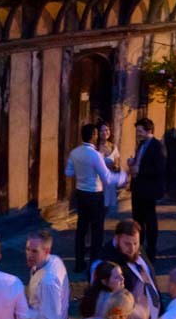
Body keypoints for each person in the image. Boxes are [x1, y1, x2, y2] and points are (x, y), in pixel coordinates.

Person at [92, 219, 161, 319]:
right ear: (117, 238)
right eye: (127, 244)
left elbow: (149, 274)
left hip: (148, 318)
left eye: (136, 243)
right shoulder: (107, 262)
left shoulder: (136, 249)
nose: (132, 249)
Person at [65, 122, 118, 272]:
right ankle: (94, 264)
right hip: (95, 194)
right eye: (96, 134)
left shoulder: (74, 152)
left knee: (81, 229)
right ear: (93, 136)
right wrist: (121, 177)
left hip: (81, 193)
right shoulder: (95, 155)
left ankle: (79, 263)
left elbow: (68, 172)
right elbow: (107, 177)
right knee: (97, 231)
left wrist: (82, 173)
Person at [128, 117, 167, 261]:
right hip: (138, 186)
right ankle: (139, 246)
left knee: (150, 220)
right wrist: (133, 162)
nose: (138, 134)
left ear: (148, 130)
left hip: (149, 188)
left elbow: (160, 168)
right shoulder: (142, 144)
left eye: (140, 131)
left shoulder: (157, 146)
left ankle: (151, 250)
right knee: (137, 218)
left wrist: (140, 170)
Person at [96, 121, 122, 217]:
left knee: (106, 210)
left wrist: (115, 166)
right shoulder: (95, 147)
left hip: (109, 182)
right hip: (98, 182)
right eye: (101, 130)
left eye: (106, 130)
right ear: (97, 133)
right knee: (98, 209)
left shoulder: (113, 147)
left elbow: (117, 166)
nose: (105, 132)